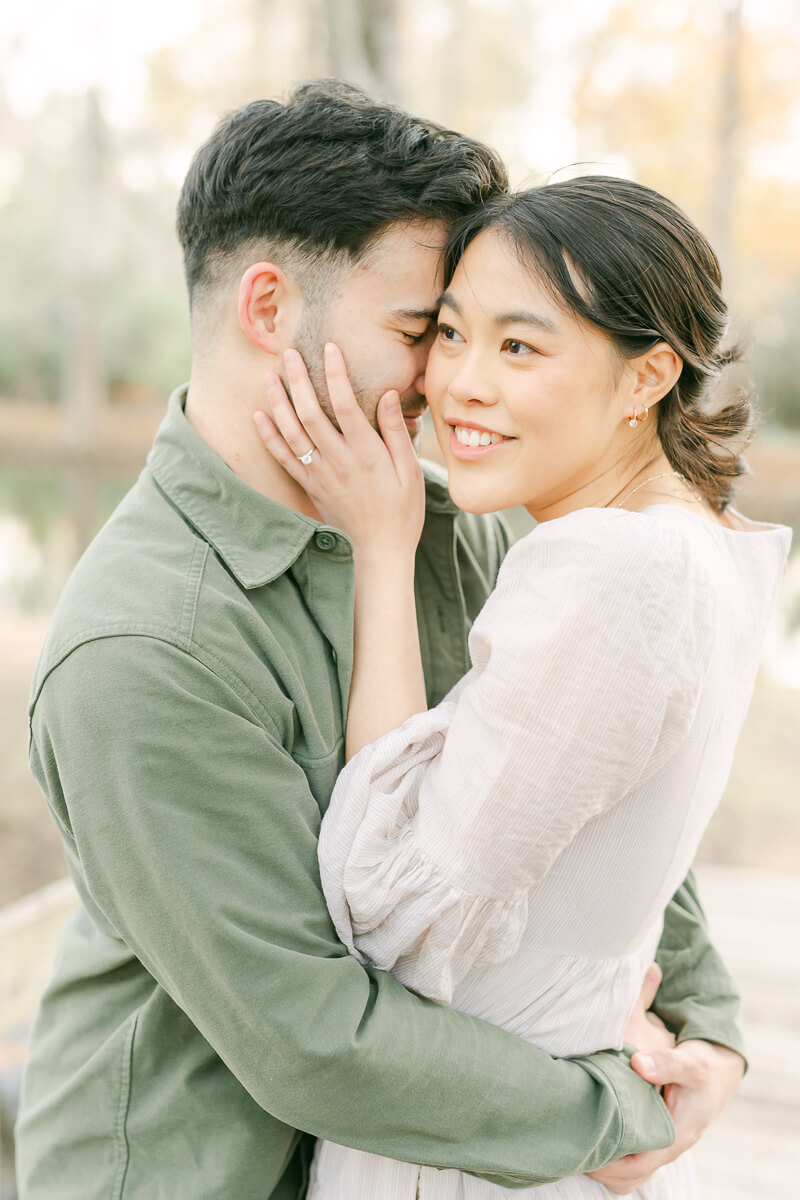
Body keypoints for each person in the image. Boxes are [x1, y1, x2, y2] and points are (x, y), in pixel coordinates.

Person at [17, 84, 744, 1200]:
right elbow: (308, 1037)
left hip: (425, 1148)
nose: (448, 381)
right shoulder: (141, 649)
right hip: (194, 1173)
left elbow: (565, 784)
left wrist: (705, 1027)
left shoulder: (449, 528)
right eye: (424, 331)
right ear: (270, 309)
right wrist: (611, 1112)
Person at [252, 175, 791, 1199]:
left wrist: (379, 547)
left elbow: (389, 907)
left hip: (475, 1146)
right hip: (559, 1110)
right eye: (448, 335)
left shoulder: (607, 567)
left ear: (644, 380)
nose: (457, 385)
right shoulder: (707, 553)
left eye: (520, 347)